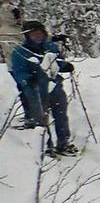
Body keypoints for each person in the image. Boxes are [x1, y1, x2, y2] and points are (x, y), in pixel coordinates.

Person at [8, 20, 77, 154]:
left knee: (61, 115)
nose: (38, 36)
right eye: (34, 34)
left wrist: (65, 66)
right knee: (41, 120)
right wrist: (28, 80)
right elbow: (19, 72)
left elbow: (57, 62)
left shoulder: (50, 47)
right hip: (35, 92)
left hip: (55, 87)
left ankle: (63, 143)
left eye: (40, 33)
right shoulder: (20, 52)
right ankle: (47, 146)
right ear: (28, 36)